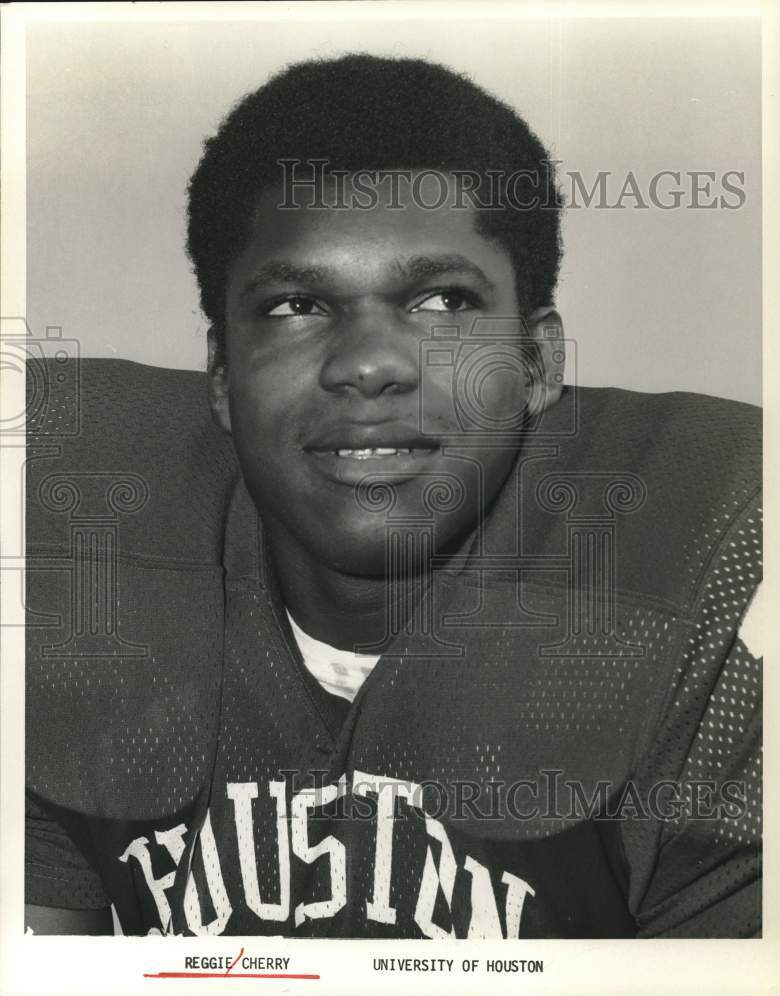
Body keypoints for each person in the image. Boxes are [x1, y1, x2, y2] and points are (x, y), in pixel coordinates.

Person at [24, 53, 761, 938]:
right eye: (297, 304)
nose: (370, 363)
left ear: (536, 363)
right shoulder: (67, 528)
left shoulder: (715, 550)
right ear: (220, 373)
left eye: (443, 300)